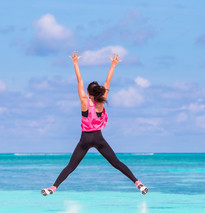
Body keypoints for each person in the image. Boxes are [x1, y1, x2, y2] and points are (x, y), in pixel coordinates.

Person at [41, 51, 148, 196]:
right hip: (98, 138)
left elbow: (79, 81)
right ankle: (138, 183)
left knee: (71, 166)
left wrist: (75, 63)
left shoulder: (84, 102)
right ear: (98, 92)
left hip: (85, 139)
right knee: (116, 163)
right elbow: (108, 82)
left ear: (87, 92)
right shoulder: (101, 103)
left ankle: (52, 188)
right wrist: (113, 65)